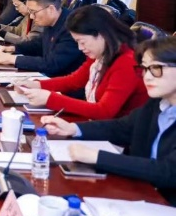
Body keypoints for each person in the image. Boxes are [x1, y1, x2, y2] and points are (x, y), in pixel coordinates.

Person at [41, 37, 176, 206]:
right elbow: (122, 128)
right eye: (144, 69)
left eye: (156, 68)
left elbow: (168, 171)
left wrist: (97, 157)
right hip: (141, 193)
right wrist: (73, 128)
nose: (147, 77)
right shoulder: (158, 103)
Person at [15, 5, 148, 119]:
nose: (80, 48)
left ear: (101, 35)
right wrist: (36, 84)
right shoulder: (101, 53)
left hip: (117, 136)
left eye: (82, 42)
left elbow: (104, 111)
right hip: (98, 126)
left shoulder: (127, 62)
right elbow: (75, 80)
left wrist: (50, 98)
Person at [0, 0, 84, 77]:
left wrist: (12, 59)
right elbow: (38, 44)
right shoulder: (51, 21)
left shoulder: (72, 27)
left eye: (33, 12)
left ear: (51, 9)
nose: (31, 16)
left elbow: (52, 63)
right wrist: (14, 48)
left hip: (63, 82)